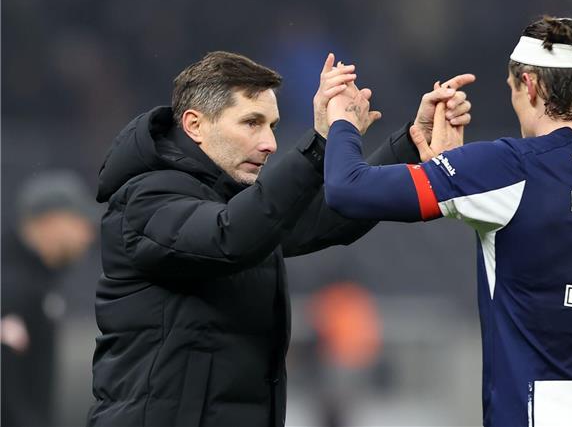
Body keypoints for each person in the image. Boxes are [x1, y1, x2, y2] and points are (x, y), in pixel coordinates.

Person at [324, 16, 572, 427]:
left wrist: (343, 120)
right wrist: (451, 169)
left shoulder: (511, 167)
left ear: (530, 84)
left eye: (512, 89)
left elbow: (347, 188)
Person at [87, 50, 473, 427]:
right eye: (251, 123)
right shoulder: (145, 200)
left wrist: (409, 143)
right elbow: (229, 236)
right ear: (194, 125)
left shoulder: (237, 202)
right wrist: (319, 143)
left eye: (272, 126)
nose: (270, 143)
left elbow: (326, 218)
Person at [2, 170, 97, 427]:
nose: (88, 235)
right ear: (50, 221)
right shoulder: (10, 287)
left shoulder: (39, 282)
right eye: (80, 223)